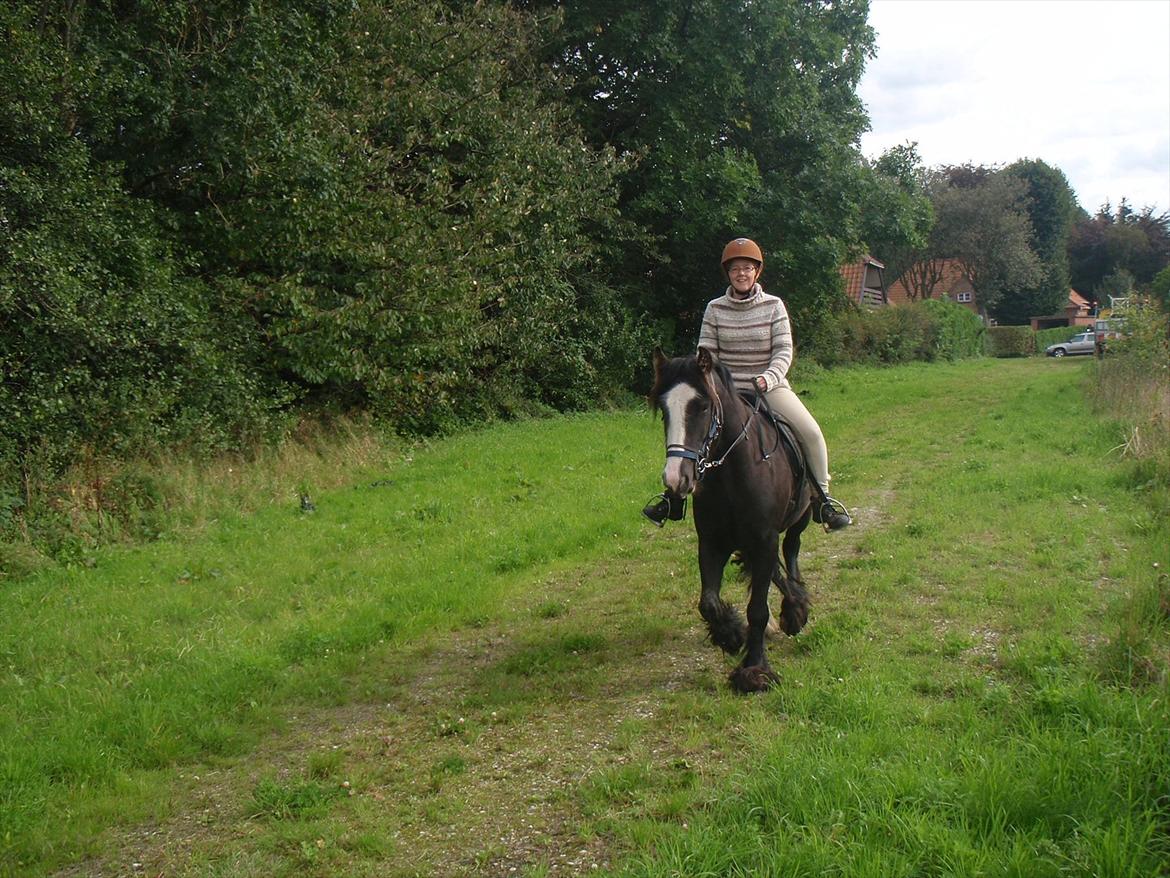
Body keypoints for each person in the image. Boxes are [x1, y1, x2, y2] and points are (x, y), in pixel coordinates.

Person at [645, 237, 852, 530]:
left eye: (747, 268)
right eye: (735, 269)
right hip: (724, 392)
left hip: (769, 387)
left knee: (811, 432)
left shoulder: (773, 306)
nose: (741, 274)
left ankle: (824, 500)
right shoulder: (715, 309)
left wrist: (768, 378)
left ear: (757, 272)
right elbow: (706, 353)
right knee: (688, 432)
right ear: (727, 274)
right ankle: (673, 498)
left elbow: (784, 350)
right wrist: (713, 383)